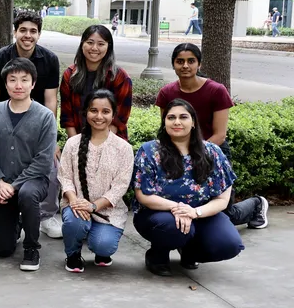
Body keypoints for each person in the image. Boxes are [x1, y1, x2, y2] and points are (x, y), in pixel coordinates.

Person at [155, 43, 268, 228]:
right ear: (173, 64)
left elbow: (220, 135)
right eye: (180, 61)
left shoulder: (216, 91)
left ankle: (257, 204)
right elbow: (167, 129)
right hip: (178, 153)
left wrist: (194, 155)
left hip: (213, 151)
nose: (185, 66)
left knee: (223, 215)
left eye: (191, 61)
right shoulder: (167, 93)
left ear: (199, 64)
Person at [132, 99, 245, 276]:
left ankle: (189, 252)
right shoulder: (149, 151)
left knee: (229, 244)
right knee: (174, 228)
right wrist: (179, 208)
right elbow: (143, 195)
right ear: (164, 122)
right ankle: (157, 256)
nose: (177, 122)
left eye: (183, 117)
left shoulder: (212, 152)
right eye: (171, 117)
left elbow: (222, 199)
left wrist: (194, 212)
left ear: (193, 122)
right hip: (158, 215)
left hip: (200, 213)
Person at [0, 10, 62, 239]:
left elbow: (51, 100)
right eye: (23, 30)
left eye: (33, 31)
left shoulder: (49, 59)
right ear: (15, 32)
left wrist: (51, 138)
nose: (27, 35)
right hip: (5, 118)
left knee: (50, 164)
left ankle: (46, 216)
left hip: (37, 122)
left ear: (39, 34)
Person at [0, 58, 57, 271]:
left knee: (27, 194)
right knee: (3, 249)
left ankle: (31, 247)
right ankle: (16, 225)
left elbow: (44, 161)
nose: (18, 85)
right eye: (12, 80)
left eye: (24, 80)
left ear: (33, 83)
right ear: (5, 84)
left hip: (34, 182)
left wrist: (13, 186)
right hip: (3, 183)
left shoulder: (45, 116)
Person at [58, 90, 134, 272]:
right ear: (86, 113)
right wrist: (75, 201)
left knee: (103, 245)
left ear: (113, 115)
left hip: (108, 212)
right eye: (94, 110)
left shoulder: (123, 148)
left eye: (105, 111)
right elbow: (65, 176)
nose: (99, 116)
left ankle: (100, 244)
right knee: (76, 223)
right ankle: (73, 254)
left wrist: (93, 206)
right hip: (76, 205)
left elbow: (120, 187)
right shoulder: (73, 143)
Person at [60, 24, 132, 141]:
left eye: (101, 44)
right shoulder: (69, 75)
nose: (94, 48)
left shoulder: (120, 77)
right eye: (90, 42)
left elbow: (119, 119)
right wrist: (75, 145)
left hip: (111, 141)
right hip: (78, 141)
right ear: (82, 44)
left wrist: (98, 145)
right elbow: (67, 117)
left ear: (108, 47)